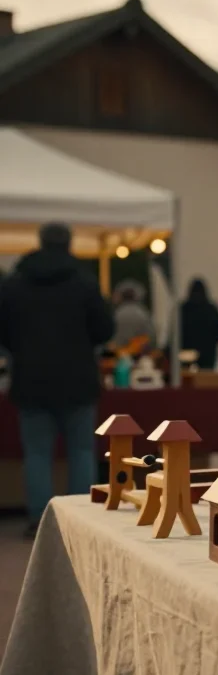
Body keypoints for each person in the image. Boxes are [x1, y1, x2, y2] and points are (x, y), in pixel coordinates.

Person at [0, 223, 114, 537]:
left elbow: (3, 332)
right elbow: (105, 330)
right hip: (77, 379)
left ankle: (40, 519)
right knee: (81, 452)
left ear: (40, 242)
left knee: (36, 453)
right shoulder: (85, 283)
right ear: (69, 244)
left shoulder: (15, 284)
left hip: (30, 379)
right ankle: (80, 519)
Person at [179, 278, 218, 371]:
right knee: (207, 380)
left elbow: (175, 335)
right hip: (207, 355)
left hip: (186, 354)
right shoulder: (212, 310)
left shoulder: (182, 310)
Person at [111, 280, 154, 350]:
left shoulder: (117, 314)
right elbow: (151, 338)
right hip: (140, 355)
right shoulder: (143, 314)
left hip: (118, 355)